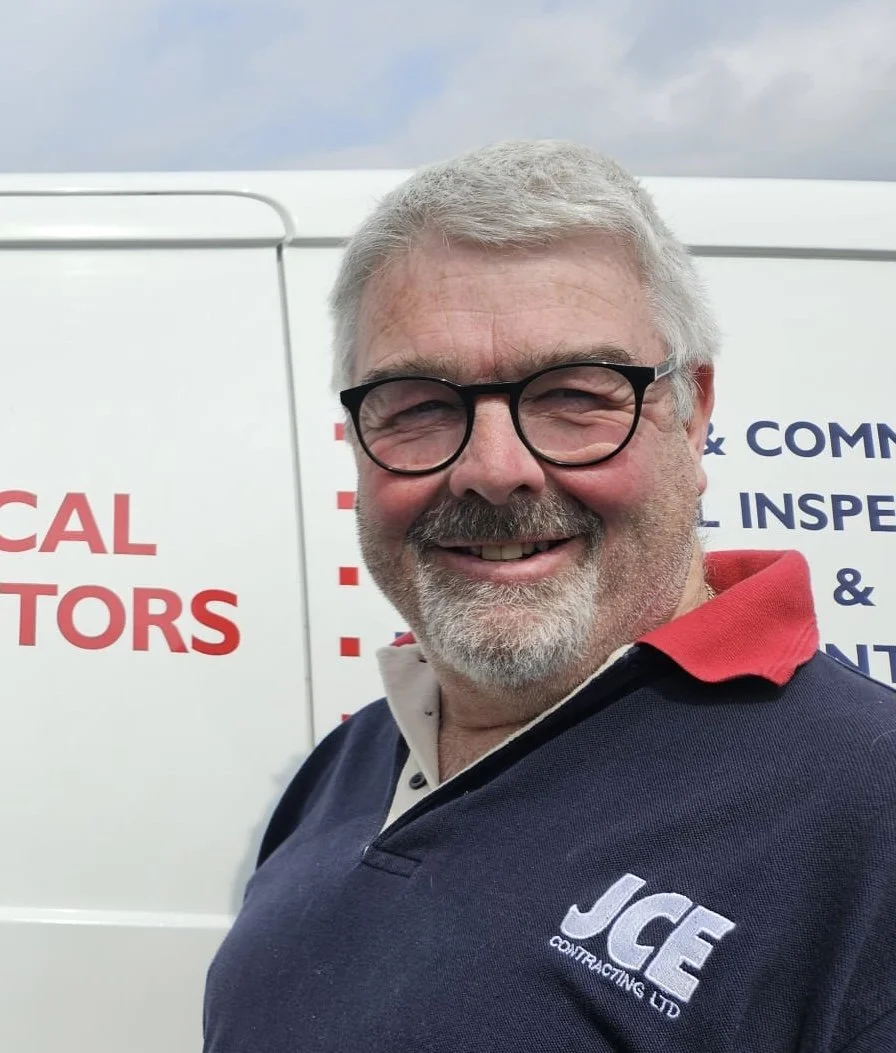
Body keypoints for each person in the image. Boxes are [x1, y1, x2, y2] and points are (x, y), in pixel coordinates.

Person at [202, 141, 896, 1052]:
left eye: (573, 394)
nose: (494, 470)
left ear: (693, 415)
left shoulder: (870, 813)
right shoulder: (348, 762)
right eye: (419, 405)